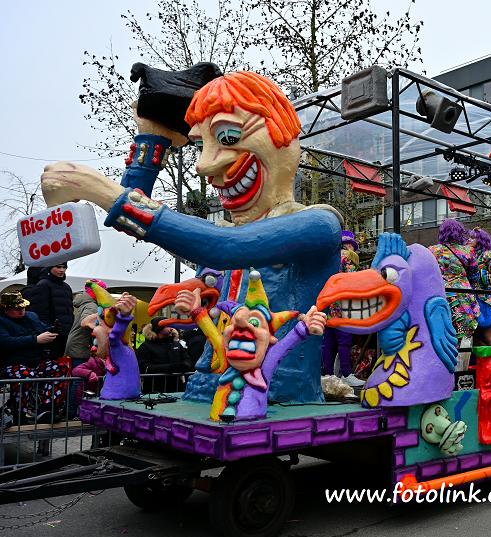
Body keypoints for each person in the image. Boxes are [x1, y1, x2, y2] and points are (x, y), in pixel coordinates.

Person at [42, 71, 342, 403]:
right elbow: (140, 221)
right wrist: (152, 138)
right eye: (200, 146)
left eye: (228, 136)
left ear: (284, 139)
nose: (203, 165)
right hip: (207, 385)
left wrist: (95, 188)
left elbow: (226, 248)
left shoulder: (318, 225)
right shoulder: (222, 234)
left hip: (274, 393)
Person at [0, 291, 69, 423]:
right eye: (17, 308)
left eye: (23, 307)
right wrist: (35, 340)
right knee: (26, 375)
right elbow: (5, 342)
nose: (22, 310)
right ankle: (19, 413)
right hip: (12, 363)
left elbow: (42, 329)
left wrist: (53, 329)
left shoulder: (31, 316)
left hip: (36, 360)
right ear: (6, 309)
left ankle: (48, 410)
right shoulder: (2, 322)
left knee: (59, 368)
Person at [322, 230, 365, 386]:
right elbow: (353, 281)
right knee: (344, 341)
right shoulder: (347, 259)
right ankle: (346, 373)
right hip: (342, 307)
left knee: (328, 342)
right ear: (348, 245)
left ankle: (327, 375)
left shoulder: (328, 259)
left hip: (327, 305)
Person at [428, 219, 480, 342]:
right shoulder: (467, 251)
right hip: (463, 295)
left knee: (442, 330)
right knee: (465, 332)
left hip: (441, 294)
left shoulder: (432, 250)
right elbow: (475, 276)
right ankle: (463, 353)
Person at [467, 228, 491, 347]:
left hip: (484, 300)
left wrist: (480, 274)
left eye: (473, 238)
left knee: (487, 335)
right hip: (471, 298)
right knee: (474, 336)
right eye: (469, 237)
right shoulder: (468, 253)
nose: (469, 240)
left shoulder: (488, 254)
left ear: (480, 240)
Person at [24, 263, 74, 358]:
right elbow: (39, 312)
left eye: (64, 267)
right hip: (51, 335)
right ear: (49, 268)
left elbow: (69, 311)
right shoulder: (43, 285)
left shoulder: (66, 287)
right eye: (58, 267)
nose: (62, 270)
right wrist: (48, 330)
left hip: (67, 334)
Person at [135, 317, 194, 393]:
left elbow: (187, 359)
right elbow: (143, 367)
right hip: (154, 390)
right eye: (168, 325)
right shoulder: (145, 346)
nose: (172, 328)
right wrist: (169, 368)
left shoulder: (175, 344)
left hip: (176, 389)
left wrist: (184, 366)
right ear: (159, 328)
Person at [65, 279, 107, 369]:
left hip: (76, 346)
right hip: (81, 349)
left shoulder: (86, 303)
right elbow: (85, 322)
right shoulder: (92, 306)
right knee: (80, 376)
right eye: (103, 291)